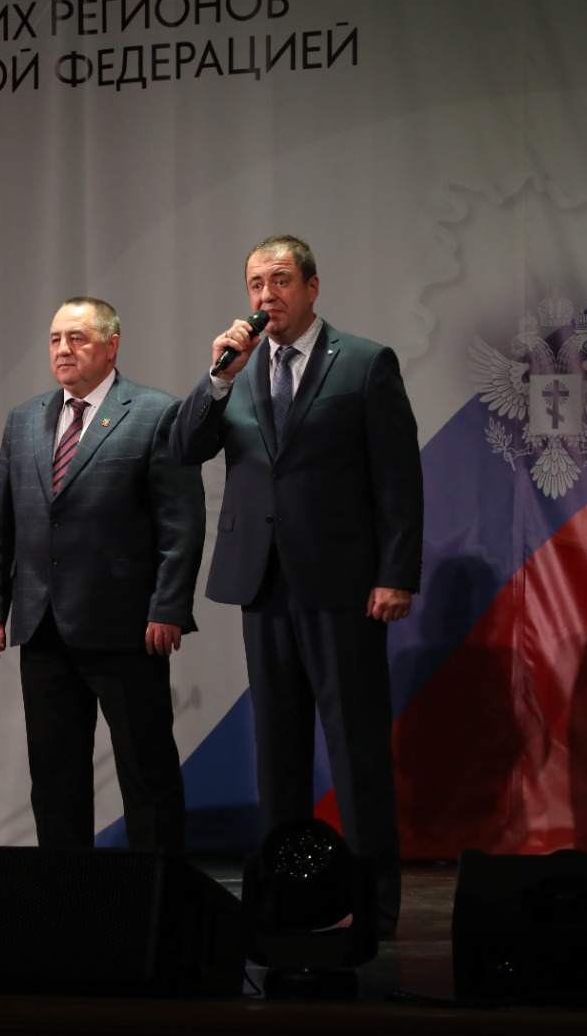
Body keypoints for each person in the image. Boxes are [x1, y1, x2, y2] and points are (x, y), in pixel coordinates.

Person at [170, 236, 423, 932]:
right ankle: (288, 897)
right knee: (277, 752)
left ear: (312, 287)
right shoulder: (239, 369)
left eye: (280, 280)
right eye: (256, 283)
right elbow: (184, 447)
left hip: (343, 584)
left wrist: (395, 573)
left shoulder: (364, 363)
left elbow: (398, 478)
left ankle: (374, 905)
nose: (266, 295)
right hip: (263, 582)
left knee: (354, 750)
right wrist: (217, 379)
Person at [0, 298, 205, 850]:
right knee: (55, 780)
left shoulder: (156, 413)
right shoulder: (24, 419)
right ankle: (67, 893)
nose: (63, 349)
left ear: (111, 345)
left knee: (146, 774)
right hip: (43, 627)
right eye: (55, 339)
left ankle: (157, 892)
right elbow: (1, 521)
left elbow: (182, 525)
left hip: (128, 628)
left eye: (77, 338)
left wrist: (168, 607)